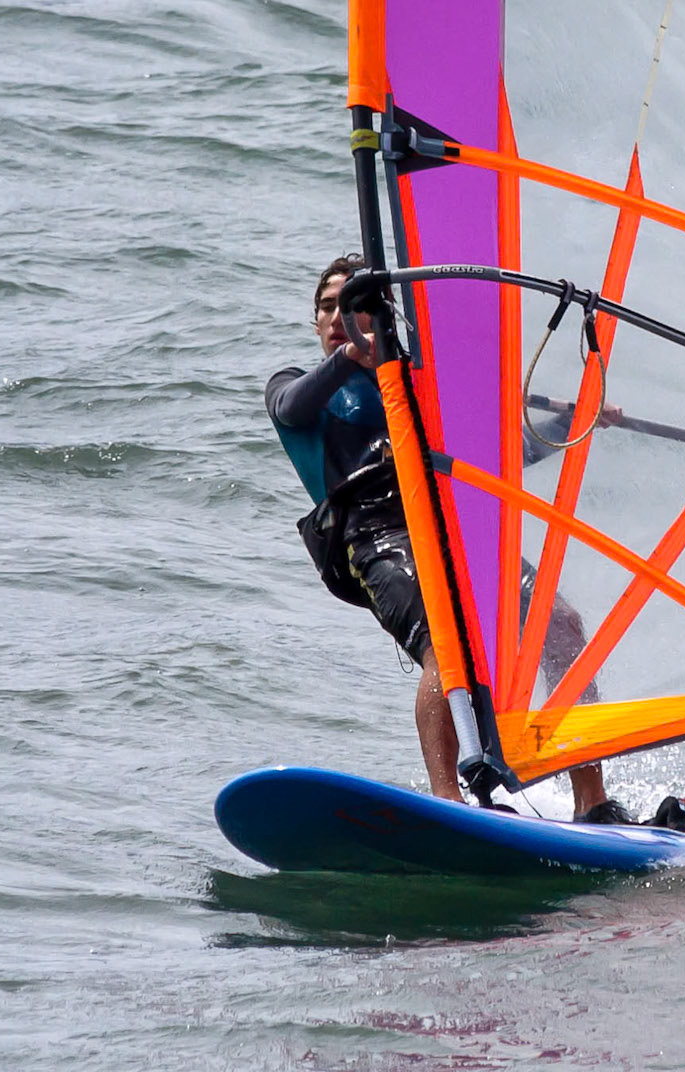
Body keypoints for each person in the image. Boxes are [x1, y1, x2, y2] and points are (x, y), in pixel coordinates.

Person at [267, 252, 630, 818]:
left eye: (355, 305)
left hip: (453, 529)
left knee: (560, 626)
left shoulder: (421, 387)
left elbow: (500, 453)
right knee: (449, 641)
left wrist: (575, 419)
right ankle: (450, 802)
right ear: (315, 321)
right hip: (376, 538)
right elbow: (292, 407)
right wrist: (355, 357)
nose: (340, 315)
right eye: (329, 306)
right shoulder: (294, 387)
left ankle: (593, 802)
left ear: (383, 315)